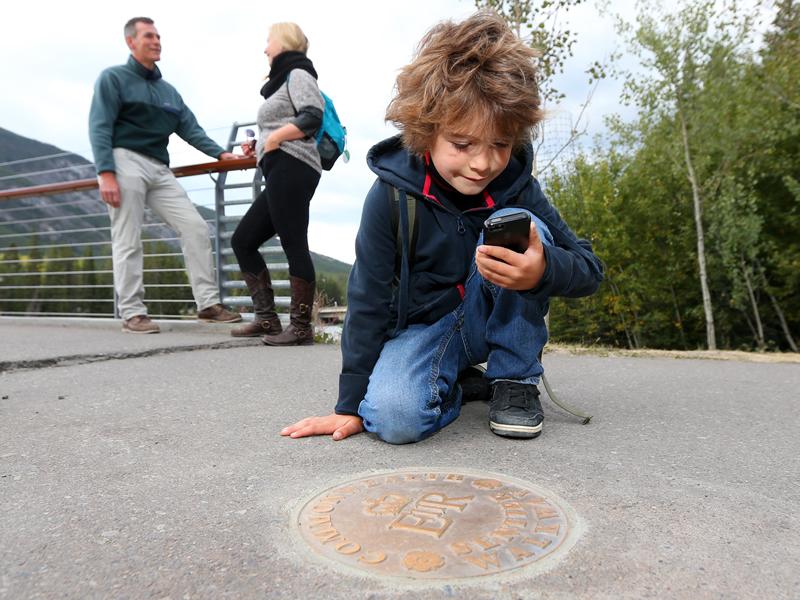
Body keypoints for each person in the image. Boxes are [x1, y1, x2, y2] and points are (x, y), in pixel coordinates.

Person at [281, 12, 604, 444]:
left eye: (500, 145)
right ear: (426, 130)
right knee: (392, 420)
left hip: (490, 317)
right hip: (425, 330)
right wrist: (349, 405)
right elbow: (368, 298)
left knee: (519, 226)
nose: (483, 163)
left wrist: (541, 271)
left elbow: (588, 267)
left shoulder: (519, 187)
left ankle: (515, 381)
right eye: (463, 143)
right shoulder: (390, 196)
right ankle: (454, 381)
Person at [89, 16, 242, 334]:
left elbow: (191, 128)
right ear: (131, 42)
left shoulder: (168, 91)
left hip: (160, 167)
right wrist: (105, 172)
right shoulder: (113, 79)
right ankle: (133, 312)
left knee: (196, 227)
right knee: (127, 238)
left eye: (158, 36)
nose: (156, 41)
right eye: (149, 36)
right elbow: (100, 125)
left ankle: (208, 305)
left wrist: (221, 154)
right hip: (124, 160)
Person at [229, 22, 324, 345]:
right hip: (280, 166)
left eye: (268, 41)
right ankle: (267, 320)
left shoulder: (299, 73)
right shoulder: (282, 80)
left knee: (293, 241)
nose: (265, 47)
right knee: (243, 240)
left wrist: (275, 140)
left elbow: (312, 116)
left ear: (283, 42)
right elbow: (284, 122)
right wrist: (259, 146)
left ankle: (300, 328)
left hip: (294, 165)